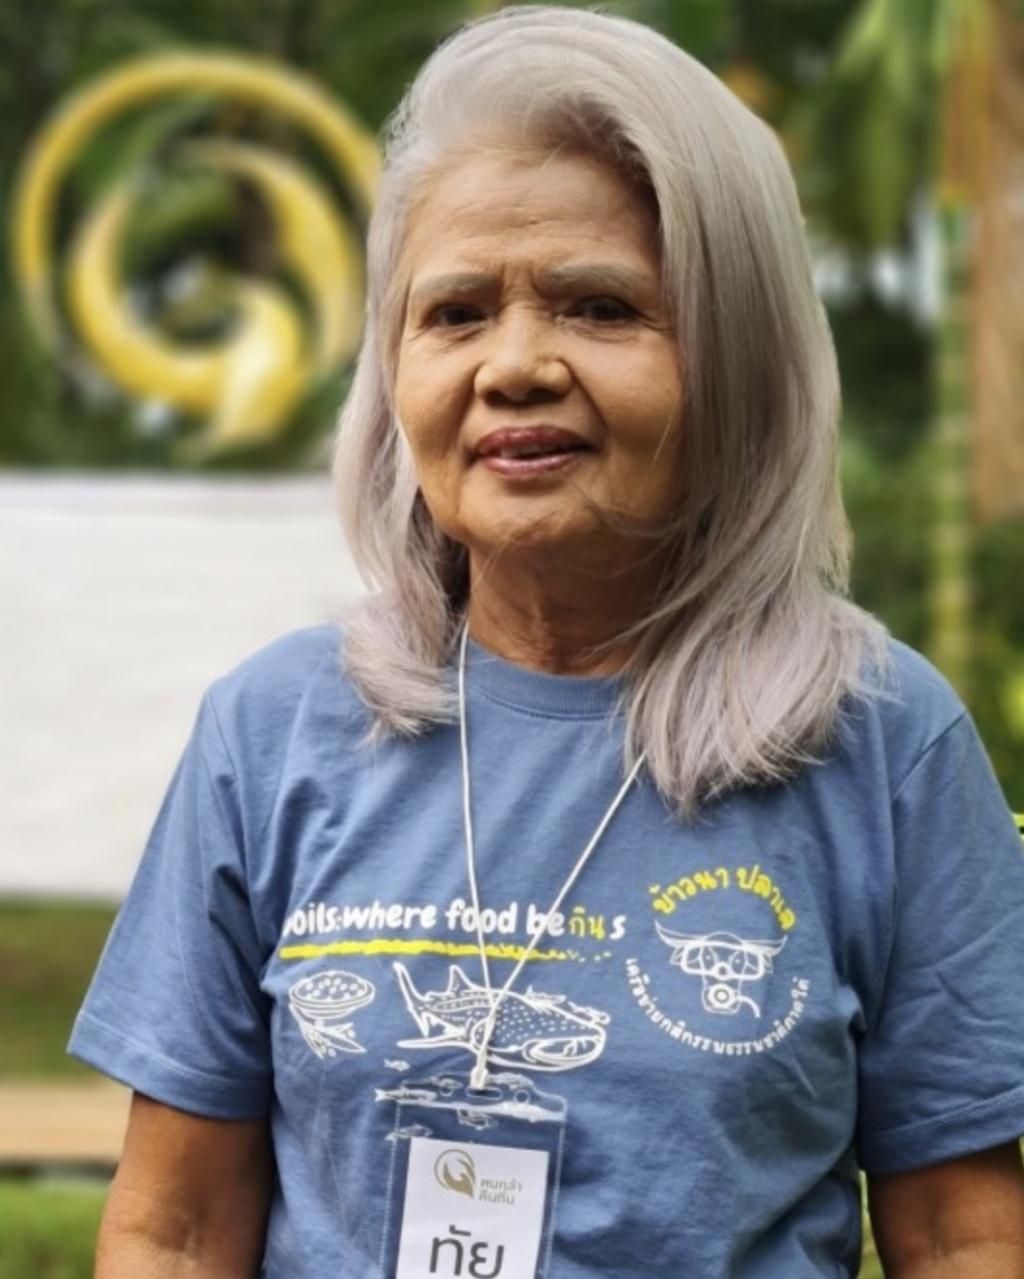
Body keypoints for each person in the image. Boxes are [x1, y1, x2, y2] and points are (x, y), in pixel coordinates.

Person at [70, 6, 1024, 1277]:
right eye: (456, 312)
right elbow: (176, 1230)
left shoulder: (884, 745)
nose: (514, 365)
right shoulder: (273, 730)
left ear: (736, 359)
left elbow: (962, 1235)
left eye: (600, 307)